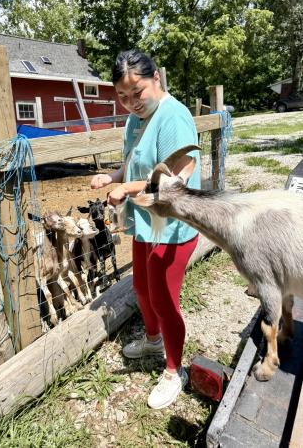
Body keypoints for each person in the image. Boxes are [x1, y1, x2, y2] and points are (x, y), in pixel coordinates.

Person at [90, 50, 201, 409]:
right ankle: (153, 340)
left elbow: (174, 178)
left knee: (165, 299)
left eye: (137, 92)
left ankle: (174, 370)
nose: (131, 102)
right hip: (146, 220)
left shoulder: (174, 117)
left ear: (156, 78)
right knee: (142, 287)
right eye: (122, 96)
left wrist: (126, 189)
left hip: (173, 223)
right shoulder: (135, 120)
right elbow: (132, 160)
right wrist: (114, 176)